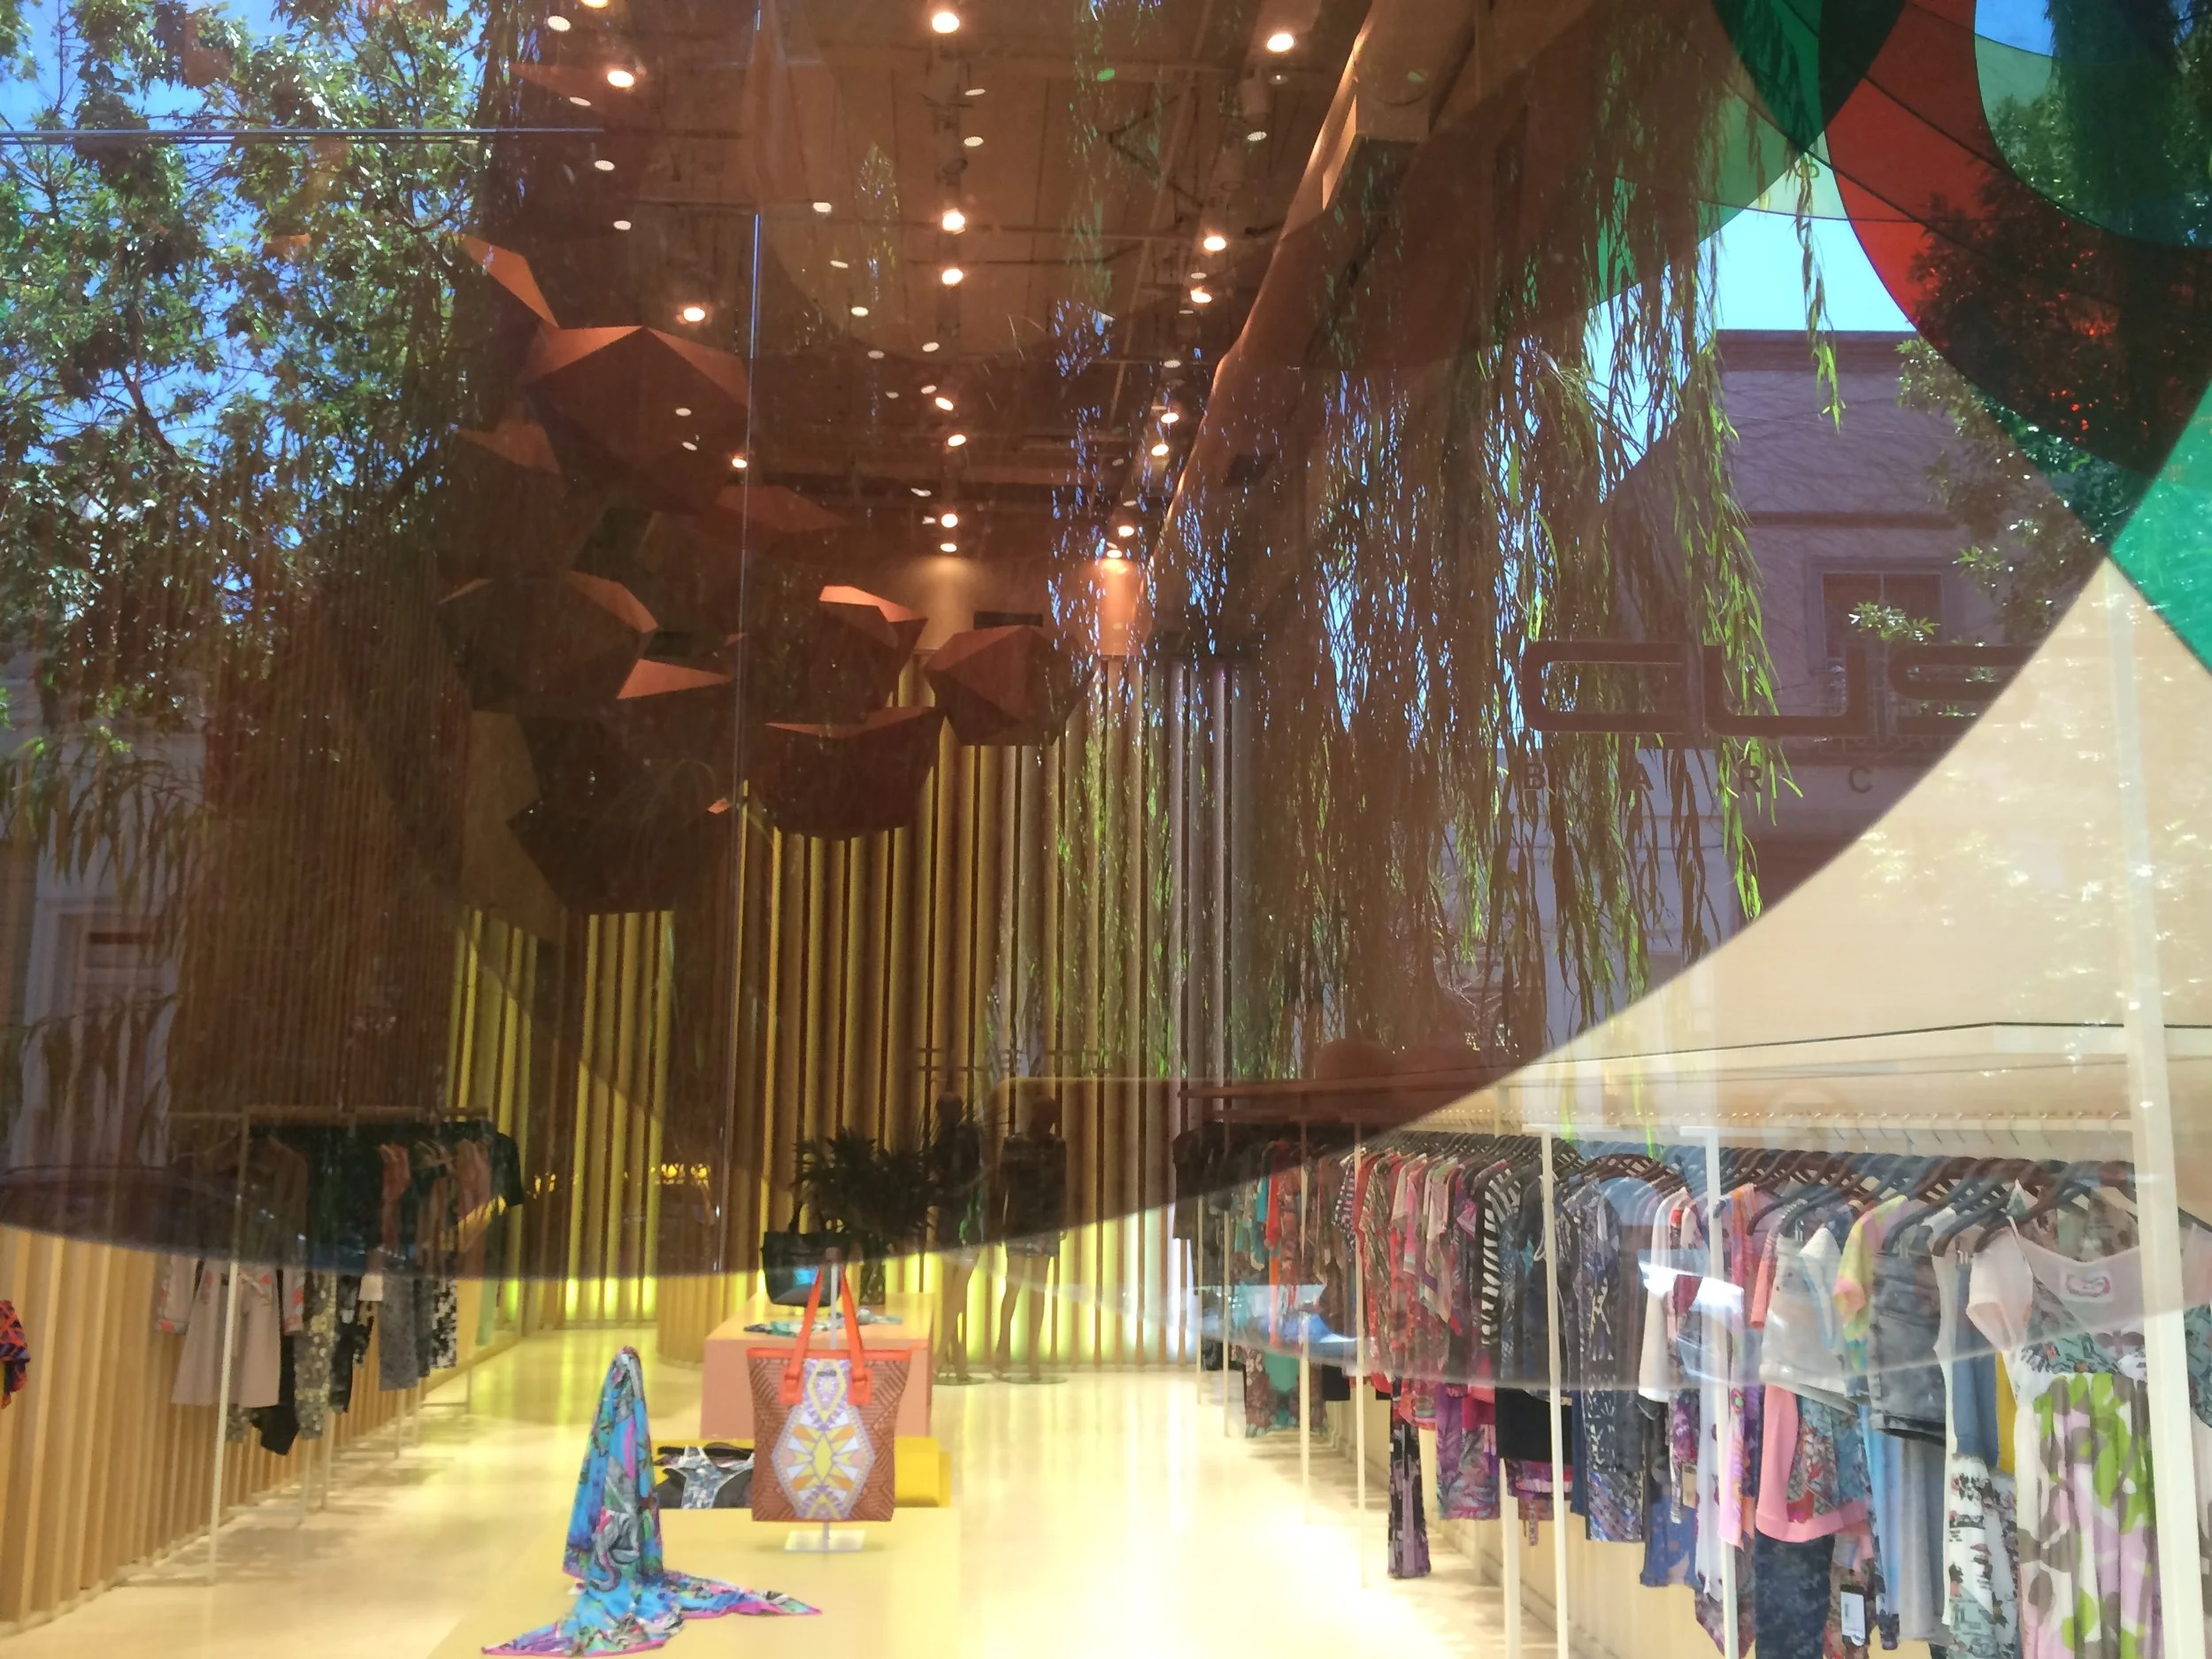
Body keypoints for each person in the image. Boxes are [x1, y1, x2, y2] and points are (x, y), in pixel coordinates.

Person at [991, 1098, 1069, 1382]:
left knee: (1037, 1289)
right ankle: (1003, 1345)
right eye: (1045, 1114)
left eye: (1052, 1116)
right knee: (1014, 1285)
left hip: (1044, 1222)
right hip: (1019, 1222)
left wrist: (1062, 1218)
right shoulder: (1014, 1144)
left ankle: (1033, 1354)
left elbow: (1061, 1184)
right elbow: (1002, 1185)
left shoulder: (1058, 1146)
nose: (1048, 1120)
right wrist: (997, 1221)